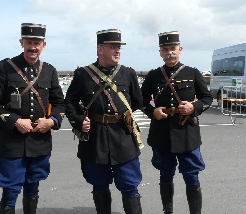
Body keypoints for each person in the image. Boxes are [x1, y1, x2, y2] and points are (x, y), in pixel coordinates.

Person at [0, 23, 65, 214]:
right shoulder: (5, 67)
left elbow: (60, 103)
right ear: (21, 42)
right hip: (11, 142)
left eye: (37, 43)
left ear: (44, 45)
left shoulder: (49, 71)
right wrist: (15, 121)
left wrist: (52, 121)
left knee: (33, 187)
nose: (33, 47)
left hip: (39, 141)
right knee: (10, 191)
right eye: (29, 42)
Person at [64, 29, 143, 214]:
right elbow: (69, 102)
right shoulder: (83, 74)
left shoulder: (128, 74)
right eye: (112, 47)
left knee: (130, 186)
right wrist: (78, 120)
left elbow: (138, 102)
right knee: (99, 186)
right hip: (95, 139)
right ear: (100, 49)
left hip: (123, 137)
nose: (117, 51)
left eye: (119, 47)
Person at [141, 31, 212, 214]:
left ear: (180, 49)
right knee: (165, 176)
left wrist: (194, 107)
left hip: (187, 132)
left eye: (173, 48)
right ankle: (168, 211)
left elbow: (207, 98)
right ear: (160, 52)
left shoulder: (193, 73)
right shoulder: (153, 75)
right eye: (165, 49)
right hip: (162, 133)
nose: (169, 52)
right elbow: (140, 100)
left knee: (192, 177)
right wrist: (152, 111)